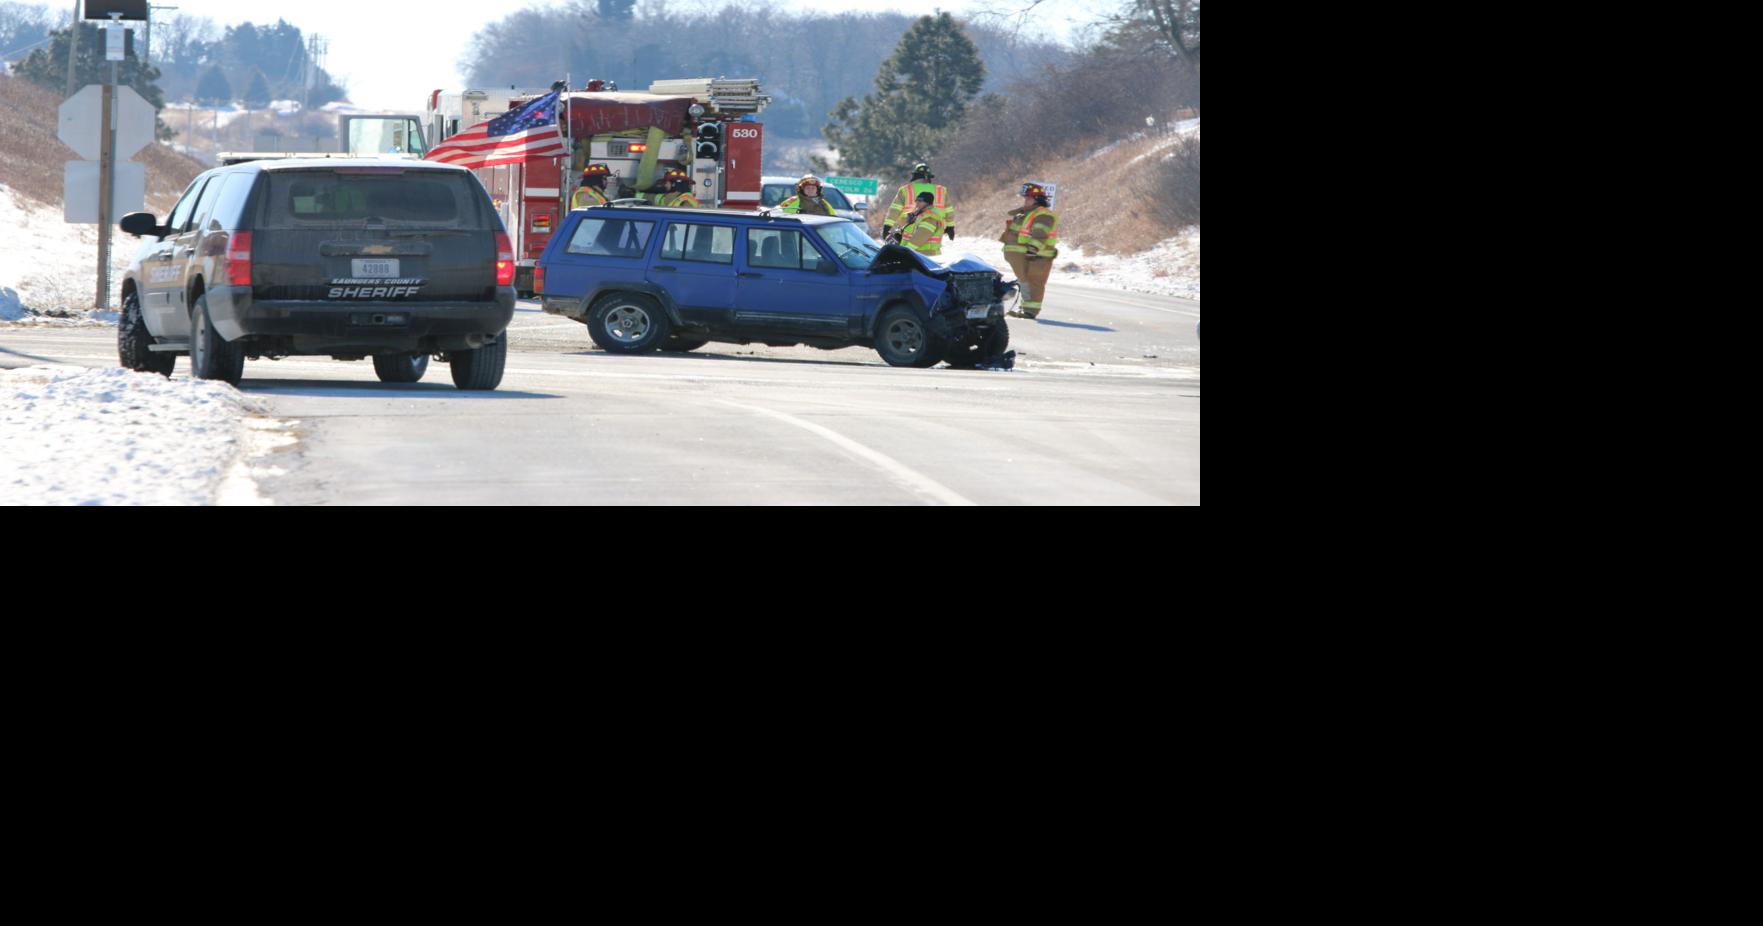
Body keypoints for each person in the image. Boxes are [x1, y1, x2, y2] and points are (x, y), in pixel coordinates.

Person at [1002, 182, 1058, 319]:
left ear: (1037, 200)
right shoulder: (1026, 213)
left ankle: (1030, 311)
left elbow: (1041, 233)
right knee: (1025, 281)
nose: (1025, 200)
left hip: (1038, 257)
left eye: (1028, 198)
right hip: (1028, 257)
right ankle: (1025, 309)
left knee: (1034, 283)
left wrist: (1033, 249)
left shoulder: (1043, 214)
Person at [883, 163, 953, 246]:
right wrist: (950, 227)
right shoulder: (941, 190)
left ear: (915, 176)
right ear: (928, 177)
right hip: (934, 235)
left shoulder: (905, 190)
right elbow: (949, 210)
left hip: (908, 233)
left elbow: (894, 210)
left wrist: (887, 226)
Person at [895, 191, 947, 255]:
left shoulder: (930, 217)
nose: (917, 202)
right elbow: (905, 226)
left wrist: (905, 252)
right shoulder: (919, 214)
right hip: (917, 255)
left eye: (920, 200)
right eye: (916, 200)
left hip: (927, 256)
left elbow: (920, 237)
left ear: (928, 203)